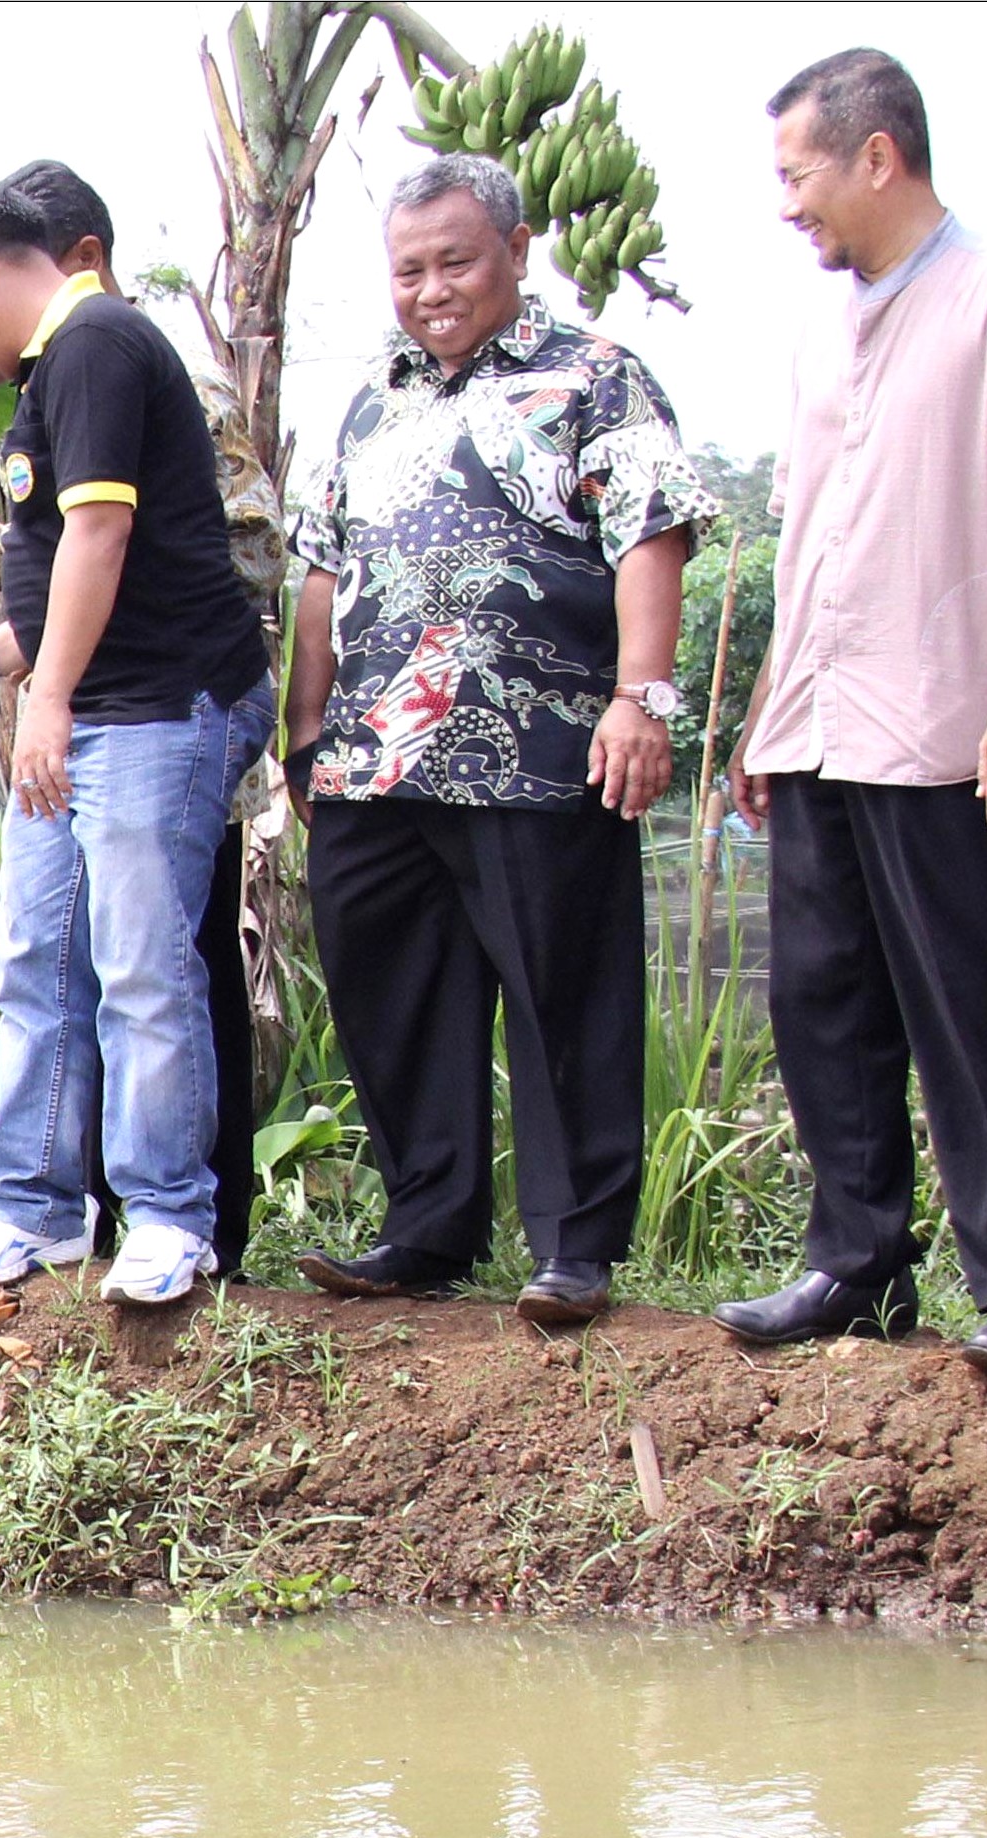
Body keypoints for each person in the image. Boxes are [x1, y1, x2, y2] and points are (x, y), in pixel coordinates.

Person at [717, 49, 987, 1377]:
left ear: (876, 156)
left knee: (981, 1000)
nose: (787, 206)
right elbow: (811, 535)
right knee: (823, 1003)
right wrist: (769, 703)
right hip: (819, 719)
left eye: (797, 174)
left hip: (950, 721)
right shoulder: (823, 331)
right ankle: (856, 1265)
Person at [283, 154, 712, 1326]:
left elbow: (648, 537)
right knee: (392, 991)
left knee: (563, 994)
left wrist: (642, 697)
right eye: (407, 269)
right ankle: (425, 1228)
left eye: (454, 261)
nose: (429, 289)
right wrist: (305, 725)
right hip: (373, 756)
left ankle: (573, 1248)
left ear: (516, 252)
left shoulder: (594, 377)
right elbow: (320, 570)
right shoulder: (374, 397)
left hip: (539, 746)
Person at [0, 180, 277, 1306]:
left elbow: (104, 531)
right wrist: (1, 657)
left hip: (159, 707)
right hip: (92, 707)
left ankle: (167, 1215)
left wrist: (47, 698)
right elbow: (91, 565)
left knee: (141, 966)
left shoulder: (96, 339)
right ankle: (32, 1207)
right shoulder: (50, 376)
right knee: (37, 959)